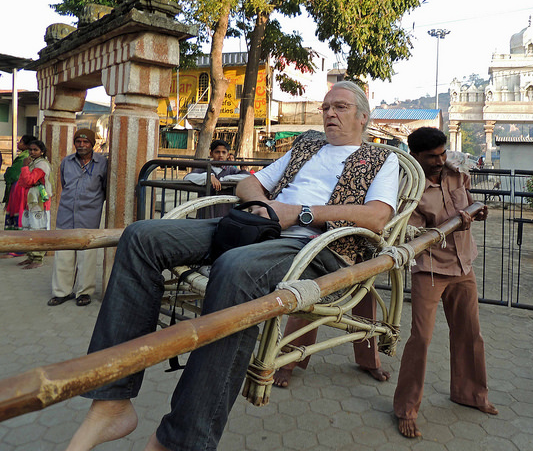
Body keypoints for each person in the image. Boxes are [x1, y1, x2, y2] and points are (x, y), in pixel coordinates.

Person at [66, 81, 399, 451]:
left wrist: (301, 213)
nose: (330, 114)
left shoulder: (382, 159)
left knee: (235, 268)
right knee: (141, 236)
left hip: (313, 245)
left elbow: (377, 217)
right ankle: (112, 401)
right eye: (325, 108)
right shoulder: (307, 146)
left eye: (340, 107)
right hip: (259, 227)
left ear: (364, 117)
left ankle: (183, 440)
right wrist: (264, 205)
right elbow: (250, 184)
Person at [393, 127, 496, 439]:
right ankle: (406, 408)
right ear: (416, 156)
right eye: (431, 157)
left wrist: (477, 212)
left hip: (464, 264)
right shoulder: (409, 186)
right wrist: (448, 225)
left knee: (470, 333)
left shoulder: (455, 174)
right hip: (430, 268)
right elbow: (411, 232)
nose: (439, 161)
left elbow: (470, 202)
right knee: (420, 339)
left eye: (442, 154)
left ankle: (471, 394)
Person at [49, 129, 108, 307]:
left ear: (92, 144)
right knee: (63, 257)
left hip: (89, 217)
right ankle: (61, 292)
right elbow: (64, 185)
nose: (81, 145)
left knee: (87, 258)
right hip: (66, 215)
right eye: (78, 142)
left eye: (85, 142)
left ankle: (84, 292)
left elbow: (105, 190)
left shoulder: (102, 164)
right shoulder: (67, 162)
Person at [15, 140, 53, 269]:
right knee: (29, 227)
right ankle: (31, 256)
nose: (32, 152)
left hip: (39, 202)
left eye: (35, 150)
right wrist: (28, 174)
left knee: (38, 229)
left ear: (41, 151)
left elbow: (29, 179)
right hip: (30, 201)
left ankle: (38, 258)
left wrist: (25, 168)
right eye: (30, 149)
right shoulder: (33, 163)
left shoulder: (42, 164)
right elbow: (22, 182)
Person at [2, 135, 36, 232]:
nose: (18, 143)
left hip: (18, 189)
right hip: (21, 188)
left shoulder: (23, 158)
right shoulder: (26, 156)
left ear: (26, 145)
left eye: (21, 141)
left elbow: (13, 174)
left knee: (17, 212)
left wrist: (7, 172)